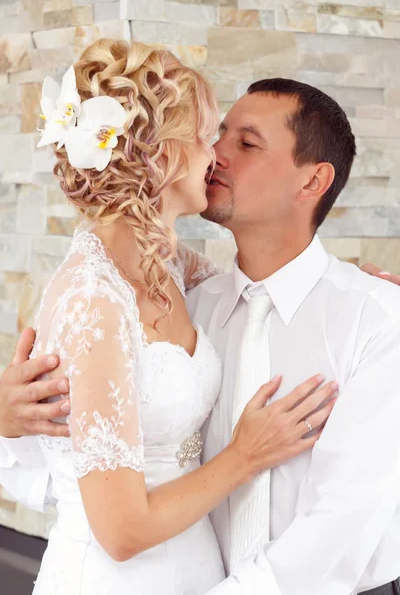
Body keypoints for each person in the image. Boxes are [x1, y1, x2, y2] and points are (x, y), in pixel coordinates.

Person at [0, 51, 399, 595]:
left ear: (313, 181)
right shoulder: (173, 298)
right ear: (158, 153)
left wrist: (367, 295)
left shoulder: (366, 316)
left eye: (246, 143)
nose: (217, 155)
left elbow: (347, 520)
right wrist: (9, 418)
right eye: (214, 135)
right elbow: (81, 479)